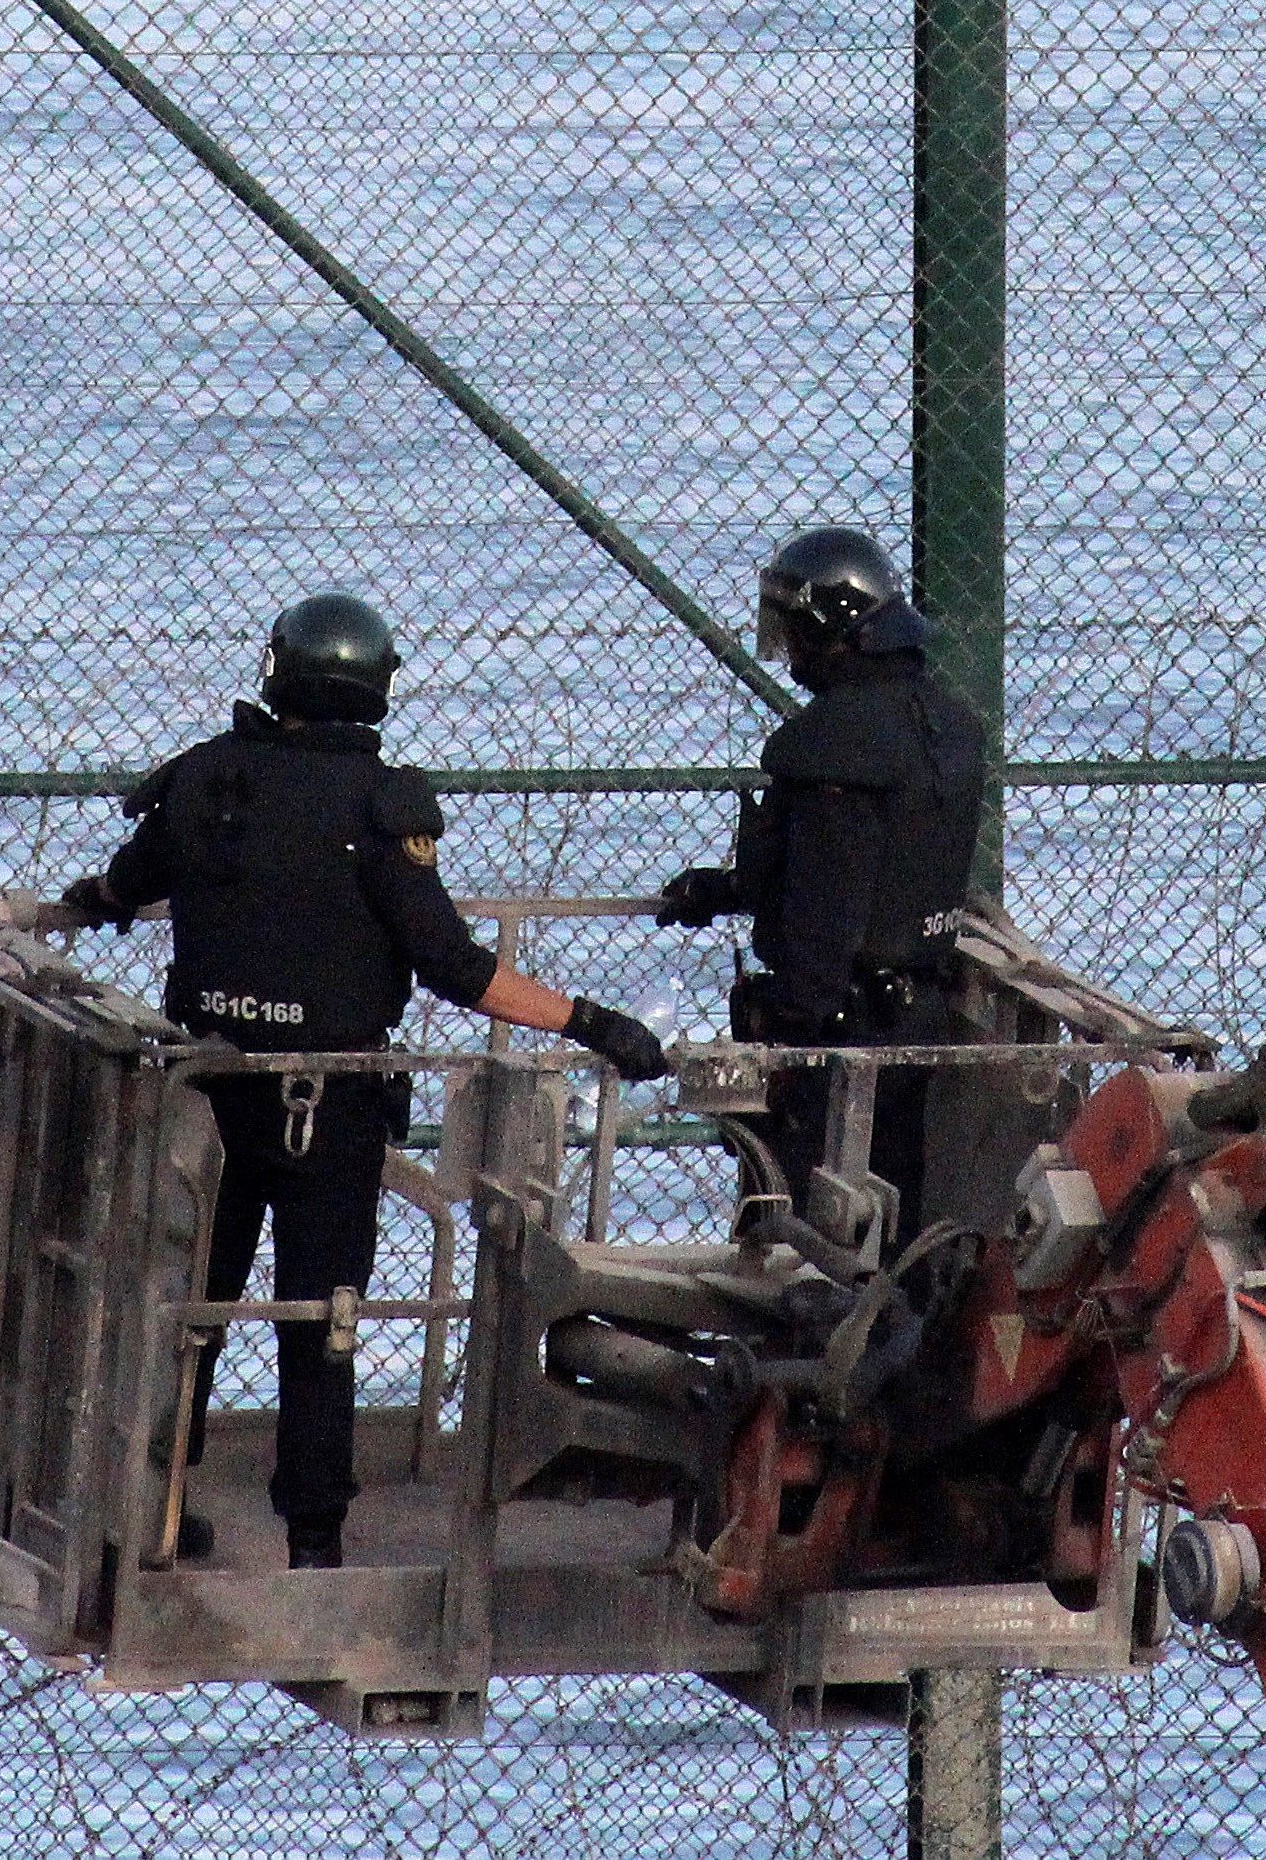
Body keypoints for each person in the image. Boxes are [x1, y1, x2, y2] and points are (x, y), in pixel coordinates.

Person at [57, 593, 669, 1570]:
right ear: (376, 686)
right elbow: (454, 967)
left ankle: (158, 1511)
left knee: (190, 1314)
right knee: (324, 1319)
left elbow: (127, 881)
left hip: (204, 1092)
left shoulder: (204, 774)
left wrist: (84, 905)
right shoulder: (379, 806)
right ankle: (314, 1542)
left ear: (276, 672)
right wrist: (592, 1021)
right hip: (326, 1104)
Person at [652, 526, 988, 1226]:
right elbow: (890, 862)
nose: (791, 650)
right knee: (899, 1222)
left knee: (794, 1234)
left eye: (796, 630)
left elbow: (828, 903)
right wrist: (729, 889)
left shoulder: (833, 742)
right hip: (923, 1015)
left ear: (831, 628)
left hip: (838, 1030)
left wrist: (789, 1028)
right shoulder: (948, 725)